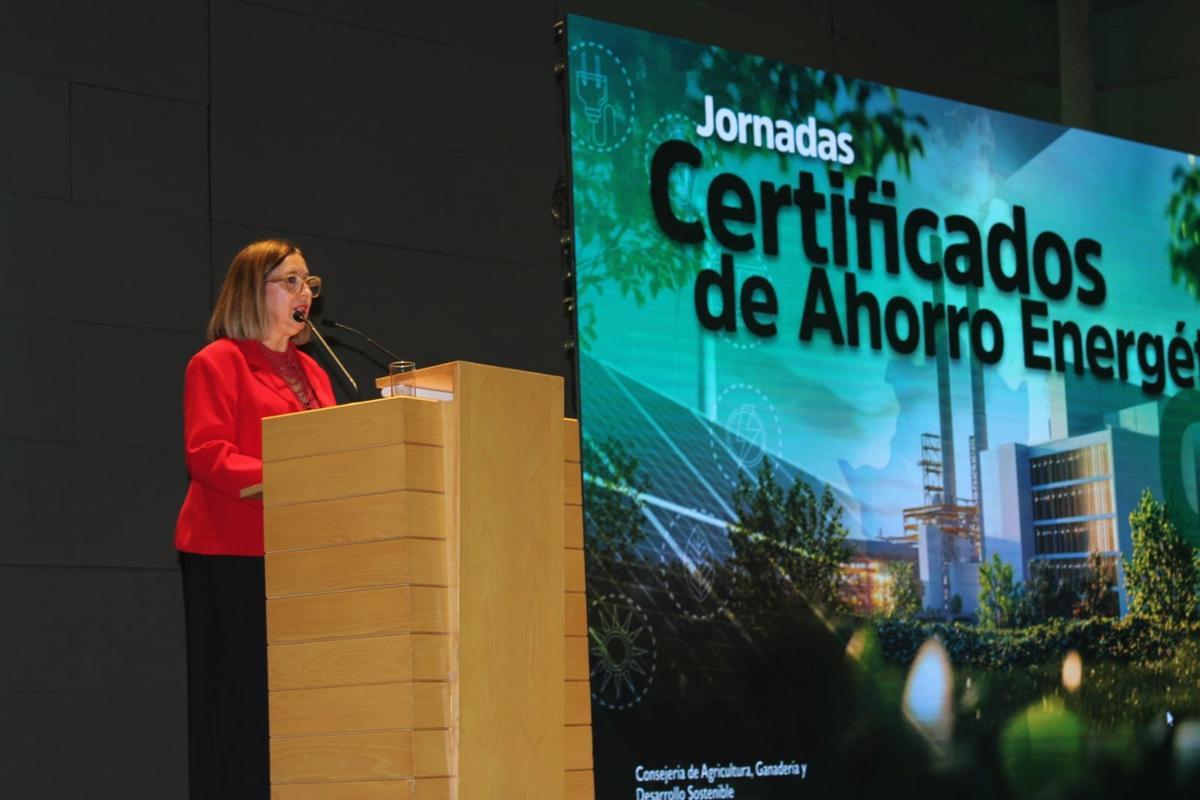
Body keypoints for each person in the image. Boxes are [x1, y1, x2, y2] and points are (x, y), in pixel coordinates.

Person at [175, 239, 336, 798]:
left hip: (299, 560)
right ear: (252, 289)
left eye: (309, 283)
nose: (304, 293)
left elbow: (336, 455)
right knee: (238, 705)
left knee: (298, 706)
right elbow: (208, 453)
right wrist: (291, 477)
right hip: (230, 556)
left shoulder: (316, 372)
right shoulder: (216, 362)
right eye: (290, 281)